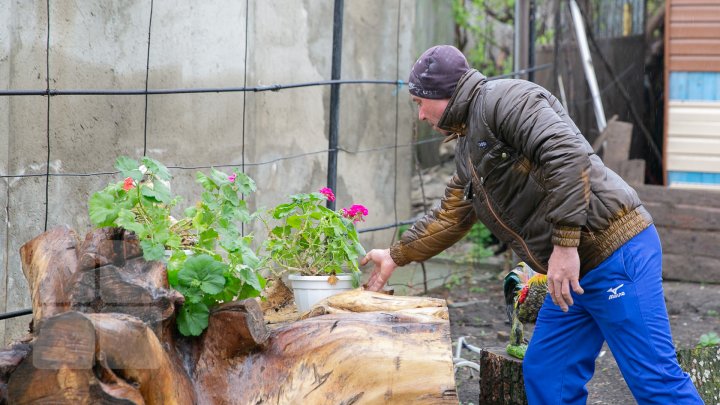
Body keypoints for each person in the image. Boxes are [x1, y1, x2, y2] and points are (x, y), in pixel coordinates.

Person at [361, 45, 702, 404]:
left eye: (419, 102)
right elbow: (450, 214)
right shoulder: (468, 148)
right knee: (548, 373)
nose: (420, 115)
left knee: (654, 381)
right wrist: (396, 254)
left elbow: (569, 156)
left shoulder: (505, 99)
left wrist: (565, 245)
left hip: (613, 251)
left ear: (440, 95)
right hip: (573, 273)